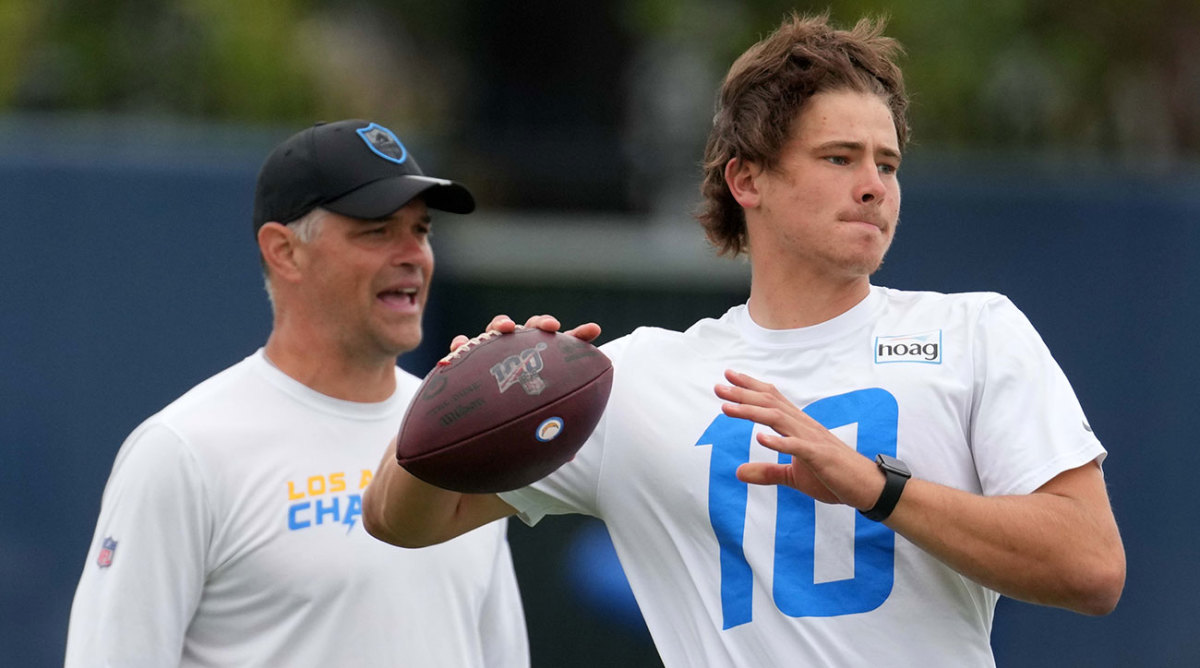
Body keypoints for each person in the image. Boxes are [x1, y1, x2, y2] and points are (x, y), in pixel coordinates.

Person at [362, 14, 1126, 667]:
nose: (875, 186)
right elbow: (402, 522)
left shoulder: (974, 333)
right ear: (747, 180)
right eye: (839, 158)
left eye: (887, 163)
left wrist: (875, 486)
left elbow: (1092, 566)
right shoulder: (631, 380)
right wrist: (455, 404)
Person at [65, 119, 530, 667]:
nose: (414, 255)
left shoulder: (460, 430)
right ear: (284, 252)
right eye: (378, 230)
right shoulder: (183, 452)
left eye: (422, 230)